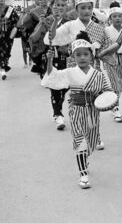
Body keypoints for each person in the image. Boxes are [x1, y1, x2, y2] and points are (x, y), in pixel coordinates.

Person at [42, 31, 113, 189]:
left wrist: (108, 101)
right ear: (72, 57)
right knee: (80, 143)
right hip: (76, 111)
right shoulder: (69, 73)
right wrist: (49, 61)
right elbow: (52, 76)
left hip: (93, 112)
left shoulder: (99, 75)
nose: (82, 57)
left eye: (85, 54)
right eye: (78, 55)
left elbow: (108, 91)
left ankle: (85, 157)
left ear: (91, 56)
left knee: (92, 142)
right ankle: (83, 174)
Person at [45, 0, 117, 150]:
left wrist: (101, 53)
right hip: (75, 66)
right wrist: (55, 23)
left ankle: (95, 135)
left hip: (93, 67)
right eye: (82, 8)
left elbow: (110, 45)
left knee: (93, 101)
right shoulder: (70, 25)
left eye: (89, 8)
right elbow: (51, 38)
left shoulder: (98, 27)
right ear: (76, 10)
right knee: (76, 102)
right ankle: (78, 132)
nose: (86, 11)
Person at [31, 0, 72, 129]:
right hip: (50, 56)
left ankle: (58, 107)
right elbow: (35, 37)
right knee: (55, 86)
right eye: (57, 5)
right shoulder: (47, 20)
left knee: (66, 86)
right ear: (52, 7)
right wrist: (42, 24)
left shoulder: (69, 21)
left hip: (67, 57)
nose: (60, 8)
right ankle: (58, 114)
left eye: (62, 5)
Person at [100, 3, 122, 123]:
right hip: (111, 59)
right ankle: (116, 108)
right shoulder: (106, 30)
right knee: (115, 84)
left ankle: (113, 101)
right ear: (110, 19)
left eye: (119, 16)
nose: (117, 18)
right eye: (114, 16)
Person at [26, 0, 53, 77]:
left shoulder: (52, 11)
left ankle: (47, 75)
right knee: (40, 59)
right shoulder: (33, 12)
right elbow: (29, 27)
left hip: (50, 38)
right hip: (38, 39)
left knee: (49, 58)